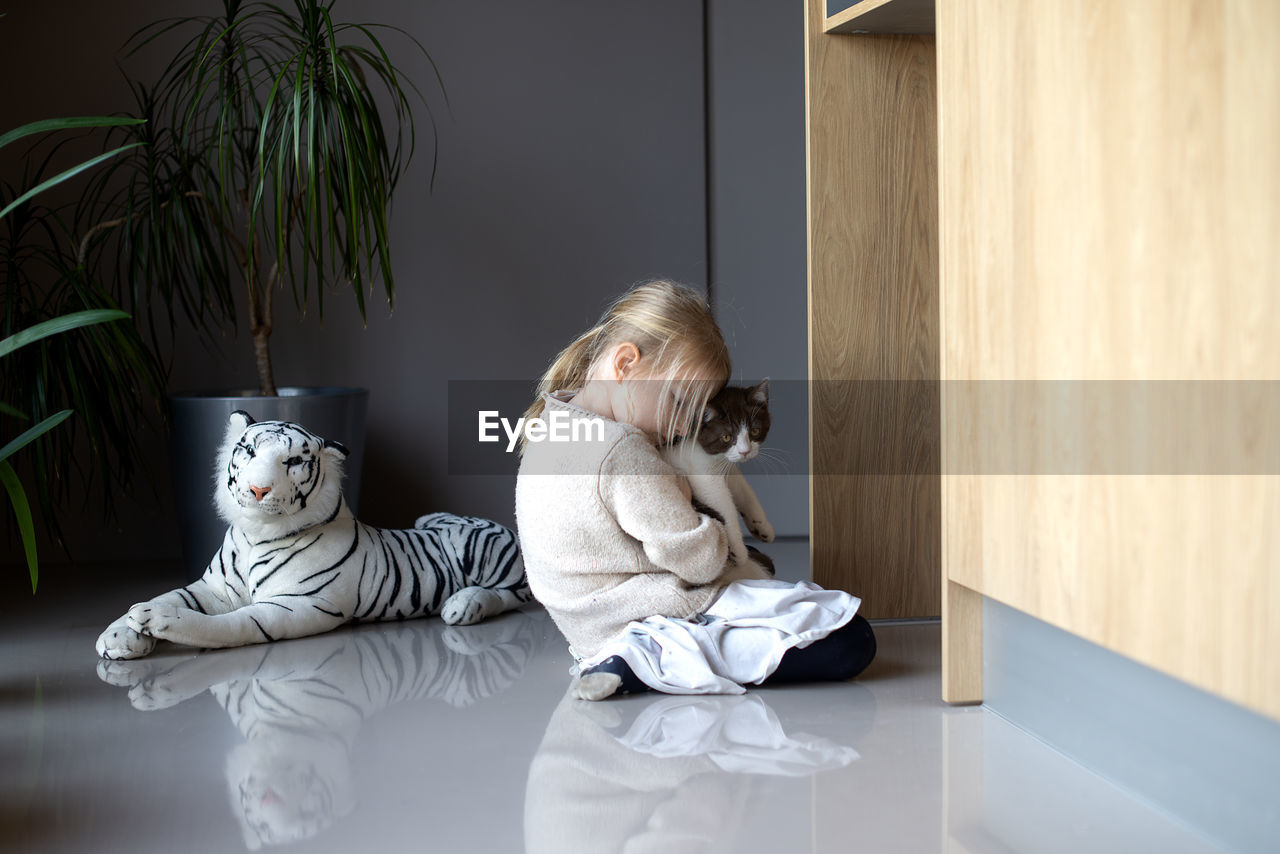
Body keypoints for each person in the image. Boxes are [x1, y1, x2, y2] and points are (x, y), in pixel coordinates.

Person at [513, 280, 875, 699]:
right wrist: (695, 511)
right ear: (626, 364)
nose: (687, 426)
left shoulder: (552, 421)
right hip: (643, 619)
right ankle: (641, 662)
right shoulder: (622, 451)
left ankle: (633, 659)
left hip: (583, 625)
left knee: (780, 595)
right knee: (850, 638)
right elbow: (698, 562)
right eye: (680, 403)